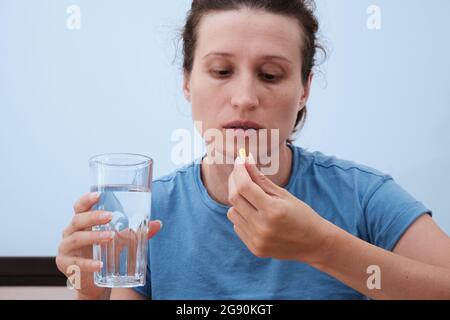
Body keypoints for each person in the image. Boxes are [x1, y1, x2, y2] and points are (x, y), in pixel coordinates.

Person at [56, 0, 450, 300]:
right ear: (187, 82)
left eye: (270, 75)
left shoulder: (363, 195)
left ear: (304, 89)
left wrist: (322, 247)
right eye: (222, 71)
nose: (244, 98)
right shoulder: (149, 211)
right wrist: (91, 292)